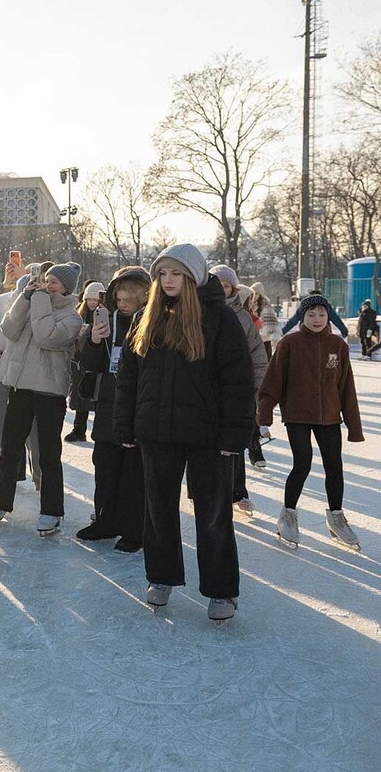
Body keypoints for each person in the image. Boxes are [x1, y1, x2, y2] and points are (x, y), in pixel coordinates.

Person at [113, 244, 252, 622]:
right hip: (156, 432)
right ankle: (162, 577)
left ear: (193, 277)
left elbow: (238, 381)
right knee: (158, 508)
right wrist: (125, 423)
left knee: (213, 512)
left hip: (207, 434)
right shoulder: (147, 317)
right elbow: (128, 378)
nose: (169, 280)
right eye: (163, 274)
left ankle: (221, 590)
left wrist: (235, 434)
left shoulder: (219, 320)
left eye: (176, 274)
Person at [0, 263, 84, 537]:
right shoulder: (33, 303)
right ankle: (0, 503)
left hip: (50, 393)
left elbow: (46, 336)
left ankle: (51, 510)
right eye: (46, 281)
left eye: (54, 283)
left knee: (48, 454)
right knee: (9, 448)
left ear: (67, 289)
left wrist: (38, 300)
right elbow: (9, 330)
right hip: (20, 387)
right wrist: (23, 298)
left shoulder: (72, 317)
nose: (48, 286)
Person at [258, 294, 364, 550]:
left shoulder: (337, 346)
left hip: (328, 415)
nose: (317, 319)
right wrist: (265, 414)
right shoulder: (290, 344)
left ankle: (336, 517)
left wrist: (354, 425)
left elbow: (346, 387)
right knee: (302, 462)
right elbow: (273, 381)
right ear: (302, 317)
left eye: (322, 314)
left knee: (334, 466)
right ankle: (289, 515)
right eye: (311, 315)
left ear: (328, 316)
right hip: (297, 414)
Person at [75, 267, 150, 552]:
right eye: (118, 296)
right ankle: (105, 520)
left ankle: (135, 529)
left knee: (134, 471)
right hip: (108, 403)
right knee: (104, 466)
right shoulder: (108, 321)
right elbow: (91, 365)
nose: (122, 302)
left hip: (140, 404)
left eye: (128, 297)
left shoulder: (153, 323)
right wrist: (94, 340)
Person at [0, 266, 45, 510]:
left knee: (37, 434)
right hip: (1, 376)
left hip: (35, 379)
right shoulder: (2, 302)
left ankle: (44, 482)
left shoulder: (48, 304)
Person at [210, 266, 268, 498]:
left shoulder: (243, 317)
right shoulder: (200, 311)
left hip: (236, 388)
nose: (222, 290)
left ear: (233, 288)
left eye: (226, 286)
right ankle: (208, 492)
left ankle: (238, 491)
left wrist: (257, 389)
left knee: (234, 443)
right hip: (208, 389)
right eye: (218, 285)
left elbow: (258, 356)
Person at [64, 281, 103, 443]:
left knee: (98, 397)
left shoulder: (104, 315)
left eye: (95, 300)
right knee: (80, 396)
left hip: (97, 362)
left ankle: (99, 430)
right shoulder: (79, 314)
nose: (92, 303)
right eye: (89, 300)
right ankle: (79, 429)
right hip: (80, 361)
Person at [281, 290, 349, 337]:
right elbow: (335, 319)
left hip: (318, 334)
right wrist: (343, 330)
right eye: (311, 315)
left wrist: (283, 331)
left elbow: (293, 321)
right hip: (315, 333)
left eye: (321, 315)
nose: (317, 319)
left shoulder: (323, 307)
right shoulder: (306, 307)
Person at [248, 283, 280, 359]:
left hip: (264, 341)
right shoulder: (249, 305)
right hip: (252, 341)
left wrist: (275, 338)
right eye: (252, 294)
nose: (254, 296)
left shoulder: (266, 307)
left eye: (256, 294)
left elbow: (273, 323)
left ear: (260, 295)